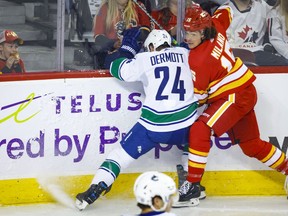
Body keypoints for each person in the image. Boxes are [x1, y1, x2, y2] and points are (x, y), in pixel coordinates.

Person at [75, 29, 201, 210]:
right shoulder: (186, 53)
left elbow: (114, 66)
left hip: (154, 126)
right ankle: (190, 184)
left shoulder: (145, 59)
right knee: (198, 138)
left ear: (151, 46)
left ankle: (97, 187)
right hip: (185, 123)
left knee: (119, 156)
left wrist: (127, 49)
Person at [175, 4, 288, 205]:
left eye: (193, 33)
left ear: (203, 31)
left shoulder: (198, 60)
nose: (187, 38)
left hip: (233, 96)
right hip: (243, 91)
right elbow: (226, 11)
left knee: (200, 129)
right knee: (251, 145)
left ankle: (193, 185)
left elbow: (199, 98)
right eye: (186, 33)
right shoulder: (217, 25)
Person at [91, 0, 151, 68]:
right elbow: (98, 37)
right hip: (113, 56)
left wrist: (132, 41)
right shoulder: (105, 8)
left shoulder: (137, 5)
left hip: (135, 55)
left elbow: (146, 30)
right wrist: (113, 44)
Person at [226, 0, 288, 66]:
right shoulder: (224, 11)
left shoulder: (263, 6)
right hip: (235, 54)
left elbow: (278, 13)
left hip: (259, 53)